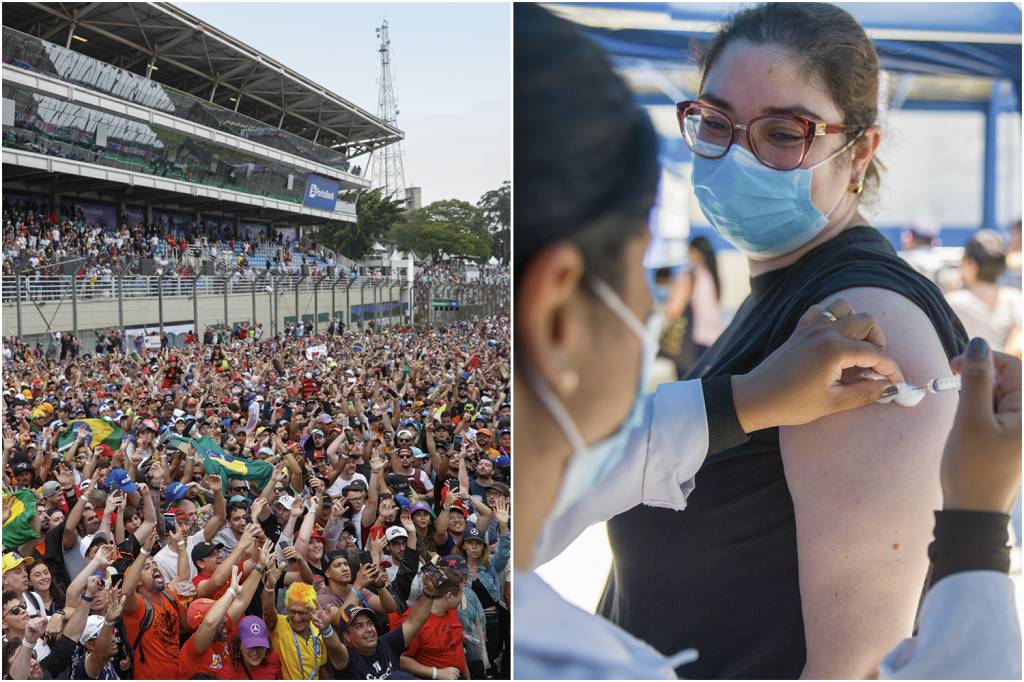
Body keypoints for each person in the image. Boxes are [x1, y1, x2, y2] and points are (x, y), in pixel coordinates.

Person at [513, 4, 957, 678]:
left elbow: (858, 664)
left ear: (860, 150)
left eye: (783, 133)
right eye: (716, 123)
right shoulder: (782, 305)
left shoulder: (861, 317)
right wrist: (740, 402)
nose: (739, 156)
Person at [946, 229, 1021, 357]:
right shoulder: (1015, 298)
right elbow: (1018, 347)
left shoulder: (954, 302)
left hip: (965, 374)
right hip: (1007, 372)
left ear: (971, 264)